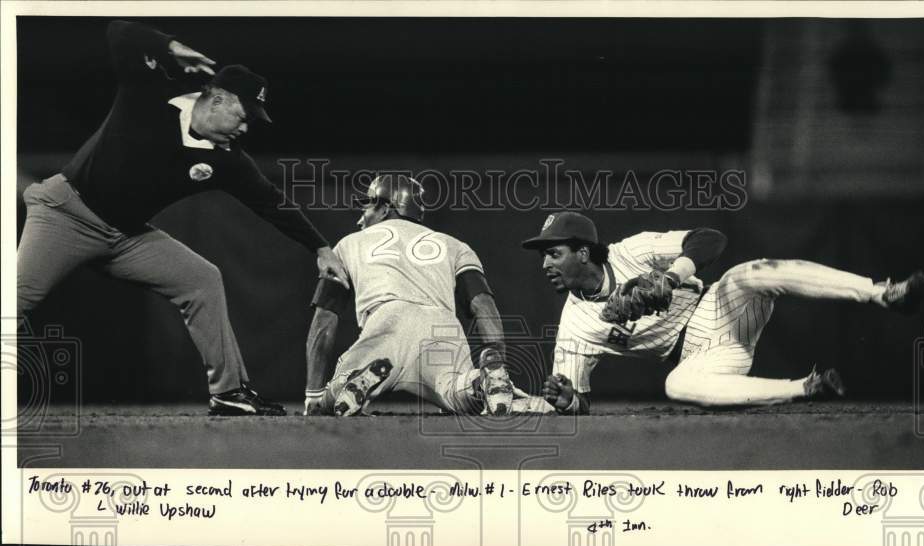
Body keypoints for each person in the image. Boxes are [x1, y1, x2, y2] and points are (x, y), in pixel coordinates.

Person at [16, 20, 346, 416]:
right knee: (14, 299)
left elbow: (271, 202)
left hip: (125, 237)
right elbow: (119, 33)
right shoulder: (149, 93)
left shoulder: (228, 160)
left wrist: (320, 247)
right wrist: (169, 46)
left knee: (202, 278)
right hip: (65, 213)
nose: (246, 127)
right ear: (218, 98)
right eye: (244, 115)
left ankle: (228, 393)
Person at [522, 212, 924, 414]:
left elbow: (710, 239)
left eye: (553, 253)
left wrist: (674, 276)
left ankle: (882, 294)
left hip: (720, 306)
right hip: (702, 358)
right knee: (676, 386)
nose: (545, 265)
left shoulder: (634, 250)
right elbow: (581, 401)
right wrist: (568, 399)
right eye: (544, 256)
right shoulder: (574, 325)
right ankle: (805, 387)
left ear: (583, 251)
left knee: (747, 273)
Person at [302, 175, 552, 416]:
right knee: (461, 394)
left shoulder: (348, 243)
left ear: (387, 206)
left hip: (387, 320)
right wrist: (497, 357)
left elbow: (324, 319)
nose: (360, 219)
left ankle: (353, 382)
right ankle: (483, 381)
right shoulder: (455, 245)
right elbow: (484, 306)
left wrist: (313, 394)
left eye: (366, 207)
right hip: (441, 324)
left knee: (329, 399)